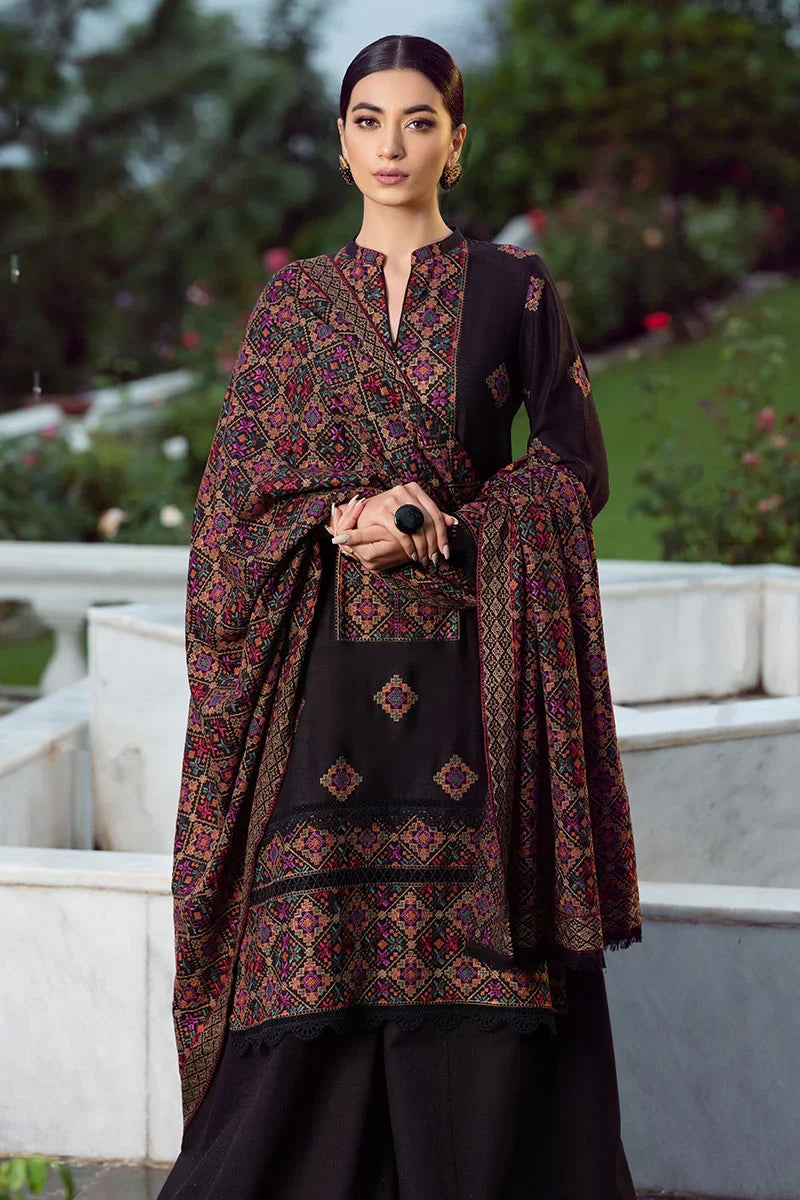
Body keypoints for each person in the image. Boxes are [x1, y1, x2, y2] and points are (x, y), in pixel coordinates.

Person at [158, 33, 642, 1200]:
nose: (392, 143)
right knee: (317, 922)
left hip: (476, 659)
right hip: (319, 670)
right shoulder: (293, 306)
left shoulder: (513, 288)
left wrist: (452, 518)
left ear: (456, 144)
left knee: (474, 936)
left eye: (418, 120)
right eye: (368, 120)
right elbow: (234, 497)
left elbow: (576, 465)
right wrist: (344, 513)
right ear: (338, 146)